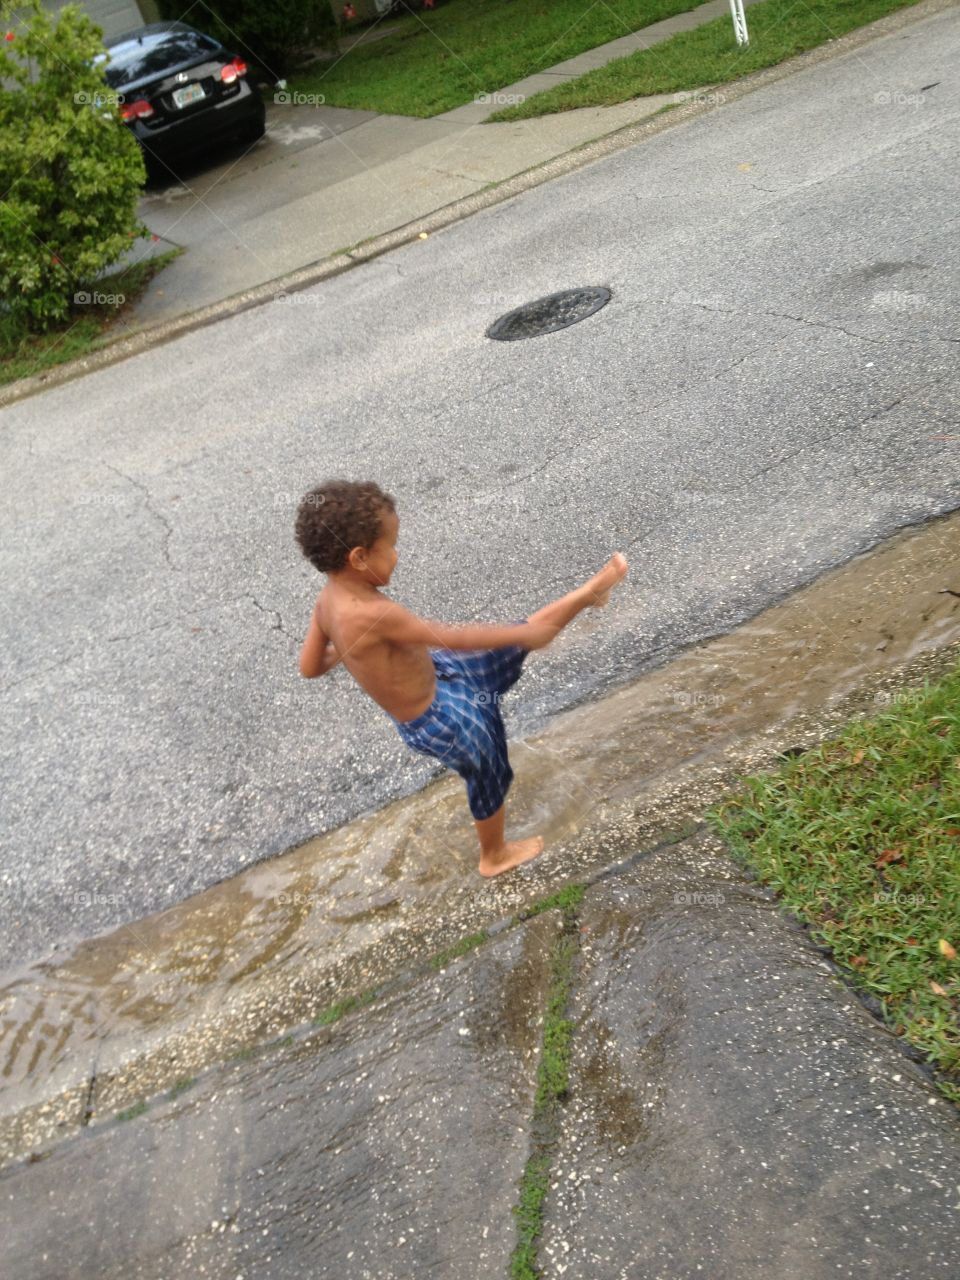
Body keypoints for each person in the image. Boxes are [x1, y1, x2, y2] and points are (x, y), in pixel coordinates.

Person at [295, 479, 628, 877]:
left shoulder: (327, 602)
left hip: (442, 676)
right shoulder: (374, 614)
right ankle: (494, 856)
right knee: (488, 772)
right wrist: (522, 635)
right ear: (360, 557)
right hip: (443, 719)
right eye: (392, 547)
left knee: (512, 646)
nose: (397, 556)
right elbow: (452, 636)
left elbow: (310, 667)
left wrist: (352, 649)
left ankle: (588, 594)